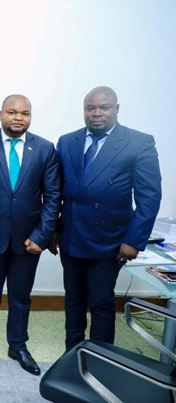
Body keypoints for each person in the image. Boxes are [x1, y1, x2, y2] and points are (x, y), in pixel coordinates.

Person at [49, 86, 162, 351]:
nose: (96, 113)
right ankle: (72, 354)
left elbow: (149, 197)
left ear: (116, 109)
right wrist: (53, 229)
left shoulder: (138, 142)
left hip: (110, 240)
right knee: (73, 300)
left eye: (104, 107)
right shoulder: (67, 141)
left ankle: (100, 360)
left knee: (100, 301)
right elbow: (56, 191)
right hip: (71, 236)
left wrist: (134, 240)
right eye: (90, 108)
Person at [0, 95, 60, 375]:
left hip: (28, 239)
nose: (18, 118)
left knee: (21, 297)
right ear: (0, 114)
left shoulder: (45, 149)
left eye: (24, 113)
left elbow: (53, 197)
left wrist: (42, 236)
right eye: (12, 112)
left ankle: (18, 345)